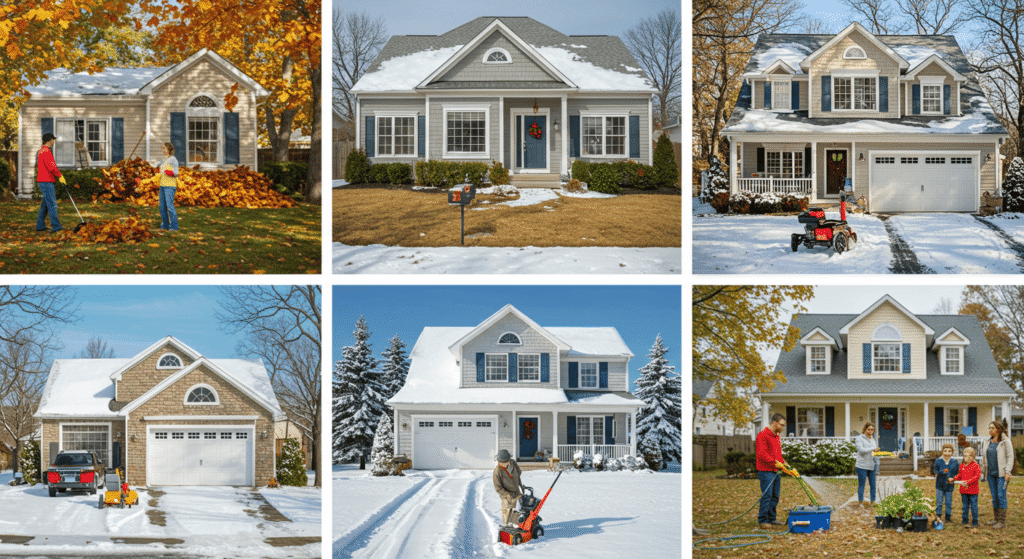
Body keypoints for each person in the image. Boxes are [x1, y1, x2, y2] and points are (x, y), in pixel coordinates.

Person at [979, 419, 1013, 529]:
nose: (990, 430)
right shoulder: (988, 442)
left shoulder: (1005, 442)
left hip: (1002, 474)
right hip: (990, 474)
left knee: (1001, 496)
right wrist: (982, 469)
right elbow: (984, 457)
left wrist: (1008, 471)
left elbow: (1010, 457)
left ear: (998, 429)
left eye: (992, 428)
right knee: (994, 497)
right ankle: (996, 519)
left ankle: (1002, 521)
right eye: (989, 428)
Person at [136, 143, 179, 231]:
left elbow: (176, 173)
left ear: (169, 150)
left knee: (169, 206)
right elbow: (156, 165)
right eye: (163, 149)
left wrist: (167, 171)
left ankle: (174, 226)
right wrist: (148, 163)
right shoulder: (164, 160)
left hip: (170, 186)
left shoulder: (173, 160)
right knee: (162, 206)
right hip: (162, 185)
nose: (163, 150)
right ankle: (165, 225)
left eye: (165, 149)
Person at [755, 413, 787, 529]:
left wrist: (783, 463)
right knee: (767, 495)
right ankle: (762, 520)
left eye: (783, 425)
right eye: (781, 425)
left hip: (776, 471)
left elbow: (778, 455)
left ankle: (772, 519)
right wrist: (775, 462)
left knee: (775, 496)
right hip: (766, 471)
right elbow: (762, 454)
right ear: (774, 423)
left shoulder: (776, 436)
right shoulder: (762, 435)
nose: (782, 427)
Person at [35, 132, 65, 232]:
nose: (54, 141)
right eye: (53, 139)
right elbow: (51, 167)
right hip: (46, 182)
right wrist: (60, 175)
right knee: (52, 204)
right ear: (49, 140)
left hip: (43, 182)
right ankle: (56, 227)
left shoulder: (41, 151)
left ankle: (40, 226)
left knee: (45, 205)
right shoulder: (46, 152)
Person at [493, 449, 524, 528]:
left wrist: (520, 485)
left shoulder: (512, 463)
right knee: (507, 513)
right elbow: (498, 488)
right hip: (506, 496)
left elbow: (518, 473)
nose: (507, 463)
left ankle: (517, 527)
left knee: (519, 511)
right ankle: (507, 528)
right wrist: (507, 494)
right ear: (499, 462)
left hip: (516, 492)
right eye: (505, 462)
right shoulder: (497, 472)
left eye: (508, 461)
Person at [950, 446, 981, 527]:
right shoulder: (962, 466)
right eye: (965, 456)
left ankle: (975, 521)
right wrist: (953, 479)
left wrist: (968, 482)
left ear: (973, 457)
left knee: (974, 506)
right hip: (964, 490)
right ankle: (964, 519)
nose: (967, 458)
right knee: (965, 506)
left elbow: (977, 476)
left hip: (973, 491)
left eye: (969, 456)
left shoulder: (976, 466)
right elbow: (960, 475)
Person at [854, 422, 880, 506]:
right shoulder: (859, 439)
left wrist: (877, 454)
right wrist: (873, 448)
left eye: (872, 429)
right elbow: (861, 450)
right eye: (868, 429)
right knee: (862, 485)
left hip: (871, 465)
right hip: (861, 466)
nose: (870, 431)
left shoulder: (873, 439)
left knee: (873, 485)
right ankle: (860, 502)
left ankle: (873, 502)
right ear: (865, 429)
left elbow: (873, 453)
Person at [933, 443, 959, 522]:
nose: (947, 453)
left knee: (948, 502)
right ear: (942, 451)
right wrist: (941, 471)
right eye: (945, 451)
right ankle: (938, 516)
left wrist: (953, 478)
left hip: (949, 485)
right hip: (940, 484)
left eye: (949, 451)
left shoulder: (954, 462)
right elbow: (935, 470)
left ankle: (948, 517)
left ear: (952, 452)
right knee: (939, 502)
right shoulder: (938, 461)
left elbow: (956, 472)